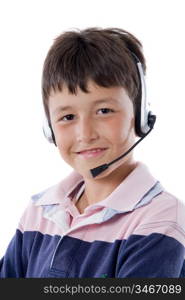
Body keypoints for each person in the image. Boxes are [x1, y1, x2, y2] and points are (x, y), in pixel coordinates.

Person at [0, 27, 185, 278]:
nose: (85, 134)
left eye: (104, 111)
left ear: (140, 115)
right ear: (49, 128)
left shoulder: (160, 220)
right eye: (67, 117)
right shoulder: (39, 212)